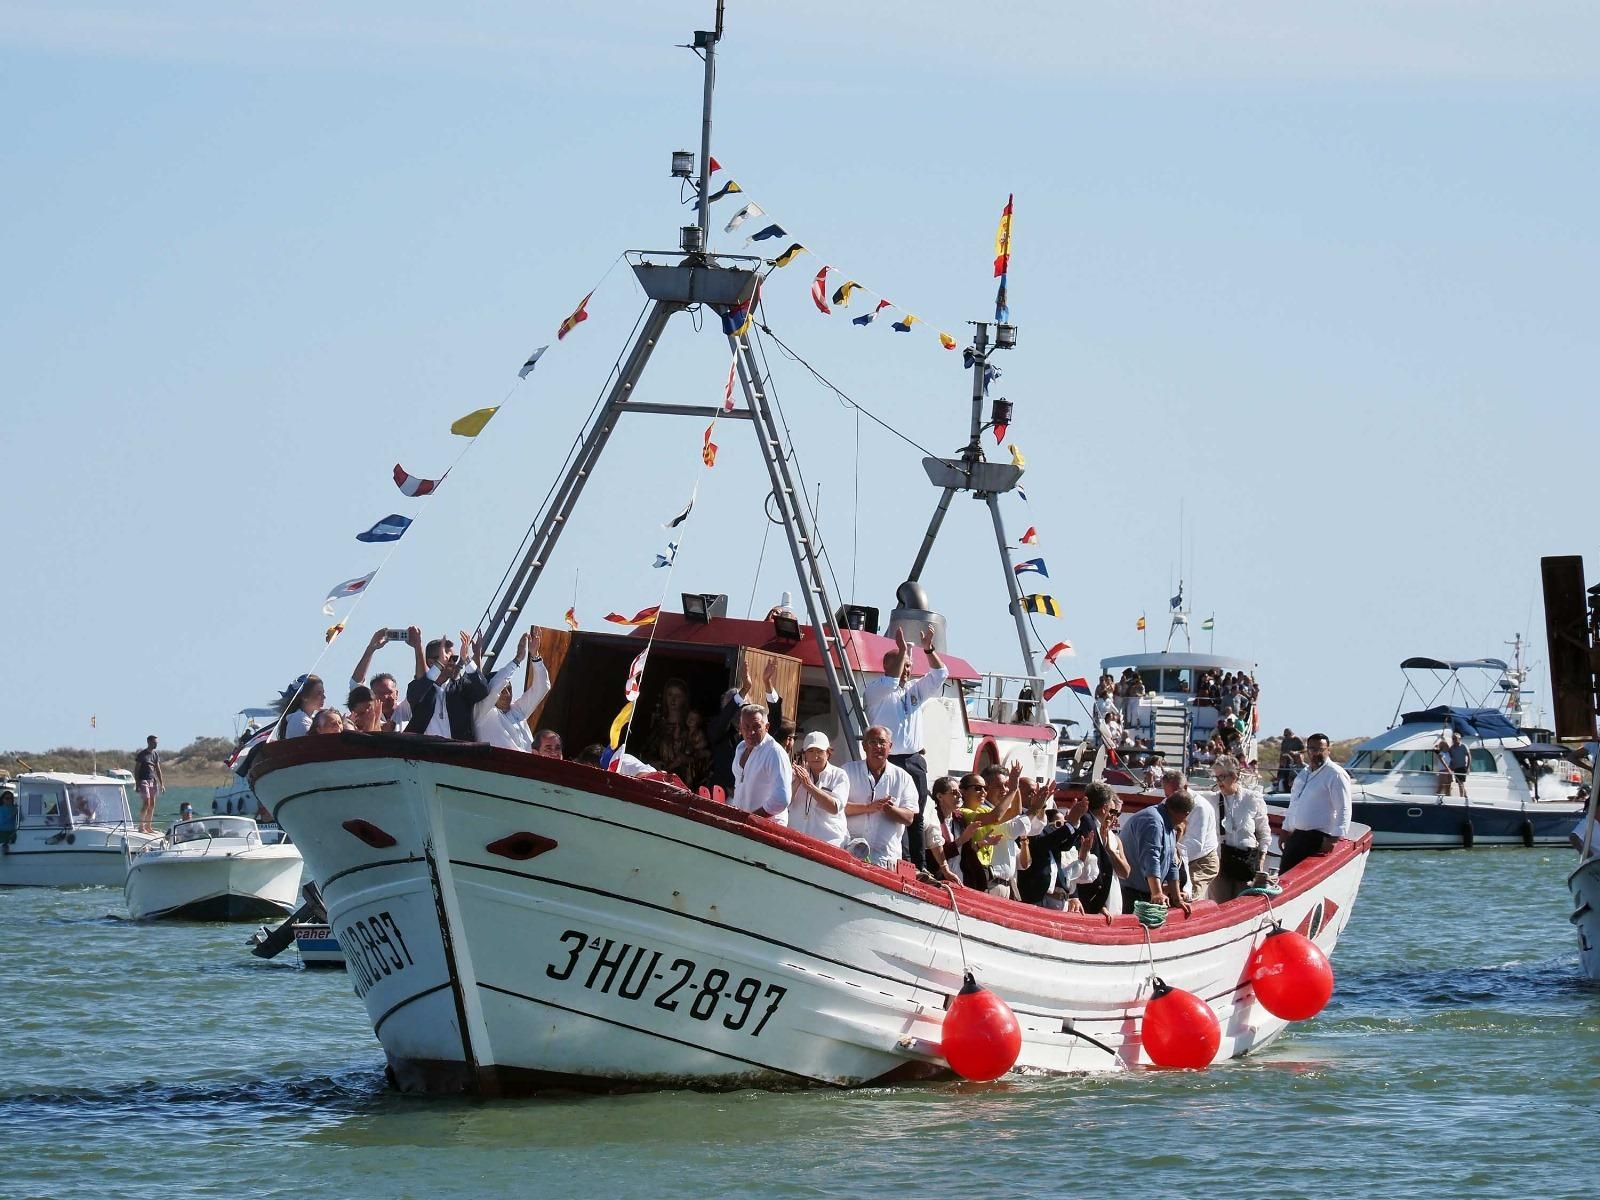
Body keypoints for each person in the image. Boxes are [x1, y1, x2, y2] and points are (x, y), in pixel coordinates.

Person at [863, 625, 947, 871]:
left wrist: (928, 649)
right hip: (888, 761)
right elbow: (891, 682)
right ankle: (903, 862)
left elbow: (940, 674)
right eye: (902, 664)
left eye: (909, 665)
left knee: (917, 814)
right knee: (894, 813)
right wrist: (902, 650)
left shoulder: (914, 689)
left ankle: (919, 866)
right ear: (887, 666)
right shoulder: (876, 691)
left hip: (913, 760)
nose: (907, 670)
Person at [842, 726, 919, 869]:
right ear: (864, 746)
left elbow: (909, 818)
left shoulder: (903, 777)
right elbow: (838, 807)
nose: (878, 746)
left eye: (882, 742)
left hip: (886, 859)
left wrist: (891, 810)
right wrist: (868, 808)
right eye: (873, 742)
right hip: (850, 852)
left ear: (890, 746)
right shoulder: (847, 771)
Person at [1280, 732, 1352, 874]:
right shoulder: (1304, 773)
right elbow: (1294, 804)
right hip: (1297, 836)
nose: (1315, 753)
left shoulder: (1335, 774)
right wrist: (1285, 829)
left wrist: (1334, 839)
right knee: (1284, 875)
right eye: (1312, 749)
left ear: (1328, 750)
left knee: (1300, 877)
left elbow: (1344, 807)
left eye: (1320, 749)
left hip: (1317, 838)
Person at [1117, 789, 1194, 915]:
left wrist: (1177, 898)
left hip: (1146, 892)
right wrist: (1157, 893)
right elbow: (1151, 858)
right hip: (1131, 894)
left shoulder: (1168, 823)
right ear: (1185, 814)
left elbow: (1171, 863)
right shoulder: (1153, 822)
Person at [403, 629, 490, 740]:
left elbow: (482, 691)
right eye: (449, 659)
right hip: (425, 749)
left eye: (455, 658)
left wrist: (467, 659)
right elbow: (416, 693)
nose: (453, 663)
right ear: (431, 662)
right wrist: (439, 665)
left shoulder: (460, 687)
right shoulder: (421, 690)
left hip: (457, 749)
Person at [473, 630, 550, 752]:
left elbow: (542, 687)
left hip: (528, 762)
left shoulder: (517, 710)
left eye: (509, 689)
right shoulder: (482, 712)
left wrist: (535, 656)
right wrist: (517, 659)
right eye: (502, 691)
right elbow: (496, 685)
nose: (507, 694)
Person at [1211, 753, 1271, 901]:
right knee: (1221, 905)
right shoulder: (1212, 799)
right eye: (1216, 777)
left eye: (1222, 777)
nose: (1218, 782)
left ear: (1235, 776)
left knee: (1245, 901)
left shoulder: (1252, 798)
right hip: (1221, 866)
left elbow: (1264, 832)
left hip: (1246, 864)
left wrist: (1261, 861)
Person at [1074, 783, 1129, 919]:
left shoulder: (1094, 825)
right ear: (1105, 808)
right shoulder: (1088, 824)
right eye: (1112, 811)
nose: (1113, 816)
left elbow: (1125, 872)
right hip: (1090, 905)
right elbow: (1085, 866)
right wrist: (1098, 905)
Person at [728, 704, 790, 824]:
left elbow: (782, 798)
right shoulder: (740, 748)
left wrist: (751, 818)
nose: (750, 732)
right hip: (743, 824)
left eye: (756, 727)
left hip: (767, 827)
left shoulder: (775, 753)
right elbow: (740, 786)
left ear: (767, 727)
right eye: (746, 727)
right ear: (740, 727)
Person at [789, 731, 849, 847]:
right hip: (797, 841)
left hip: (829, 843)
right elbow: (784, 803)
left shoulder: (839, 775)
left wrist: (809, 785)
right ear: (804, 754)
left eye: (820, 751)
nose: (815, 756)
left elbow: (834, 807)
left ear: (828, 753)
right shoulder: (795, 773)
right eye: (810, 751)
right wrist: (797, 782)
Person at [648, 677, 712, 786]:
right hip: (658, 779)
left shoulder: (690, 728)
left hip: (682, 783)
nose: (673, 699)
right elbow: (647, 752)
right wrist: (653, 763)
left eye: (678, 696)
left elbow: (704, 757)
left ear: (684, 699)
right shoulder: (659, 726)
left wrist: (687, 760)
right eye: (670, 695)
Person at [1174, 769, 1219, 900]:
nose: (1171, 798)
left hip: (1202, 861)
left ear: (1185, 788)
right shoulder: (1169, 801)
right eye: (1168, 794)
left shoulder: (1200, 808)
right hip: (1181, 859)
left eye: (1176, 792)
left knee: (1188, 896)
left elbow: (1195, 845)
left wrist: (1171, 857)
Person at [922, 776, 971, 886]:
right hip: (938, 880)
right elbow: (932, 855)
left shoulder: (959, 819)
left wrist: (980, 844)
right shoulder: (932, 818)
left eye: (960, 791)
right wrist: (961, 840)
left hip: (959, 879)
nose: (960, 795)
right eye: (954, 792)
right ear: (940, 796)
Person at [133, 734, 163, 834]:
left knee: (152, 804)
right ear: (149, 742)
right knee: (147, 803)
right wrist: (137, 784)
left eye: (157, 743)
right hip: (143, 780)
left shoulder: (155, 754)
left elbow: (158, 769)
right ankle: (141, 826)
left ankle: (148, 826)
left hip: (153, 781)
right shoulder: (142, 754)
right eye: (154, 742)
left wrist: (162, 784)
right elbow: (136, 770)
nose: (156, 744)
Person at [1446, 732, 1470, 800]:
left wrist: (1468, 767)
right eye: (1453, 738)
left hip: (1462, 767)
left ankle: (1461, 798)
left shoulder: (1463, 746)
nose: (1454, 740)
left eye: (1455, 738)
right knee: (1460, 783)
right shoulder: (1451, 748)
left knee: (1460, 783)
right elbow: (1449, 755)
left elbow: (1469, 756)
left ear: (1459, 739)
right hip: (1456, 768)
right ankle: (1465, 796)